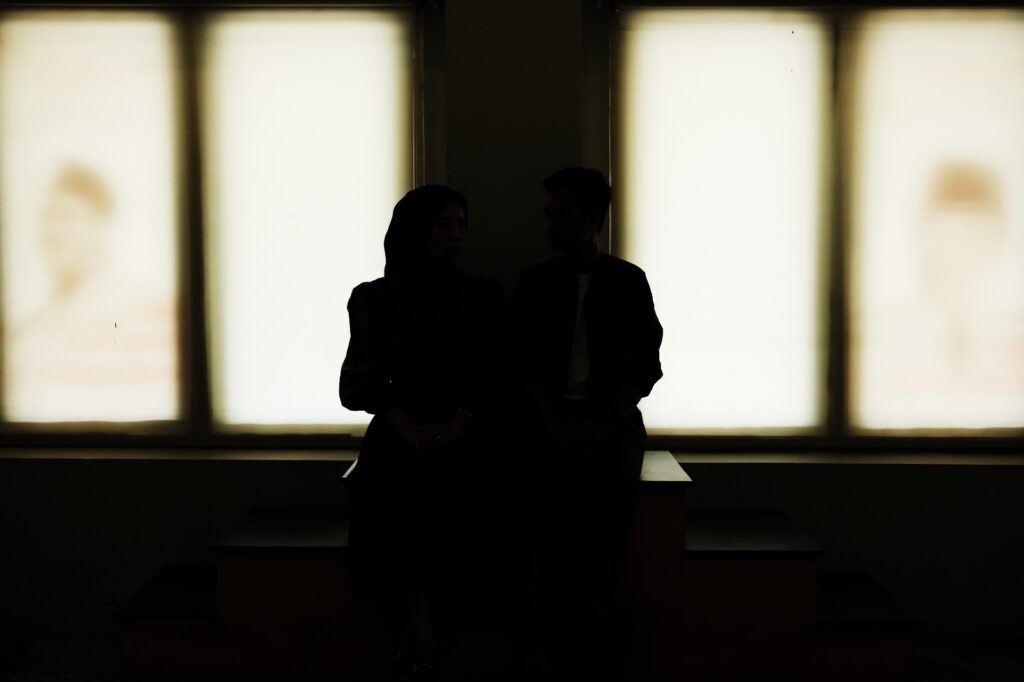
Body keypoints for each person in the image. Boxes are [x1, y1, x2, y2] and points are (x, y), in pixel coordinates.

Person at [339, 185, 503, 680]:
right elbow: (359, 381)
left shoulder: (480, 296)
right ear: (416, 230)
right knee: (402, 500)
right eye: (445, 224)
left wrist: (456, 423)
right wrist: (408, 426)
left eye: (462, 225)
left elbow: (492, 376)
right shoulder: (373, 298)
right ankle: (420, 633)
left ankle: (420, 637)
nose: (457, 236)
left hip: (462, 439)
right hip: (398, 439)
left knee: (445, 505)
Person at [509, 167, 663, 680]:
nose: (550, 224)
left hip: (610, 420)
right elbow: (520, 366)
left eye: (562, 214)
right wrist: (554, 423)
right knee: (552, 495)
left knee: (609, 497)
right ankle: (588, 614)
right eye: (548, 214)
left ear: (594, 218)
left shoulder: (627, 280)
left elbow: (646, 366)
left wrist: (605, 422)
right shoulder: (535, 282)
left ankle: (588, 610)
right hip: (549, 419)